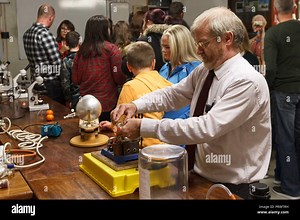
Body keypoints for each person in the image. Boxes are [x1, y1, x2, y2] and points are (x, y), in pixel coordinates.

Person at [110, 7, 271, 199]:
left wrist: (143, 126)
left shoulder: (246, 81)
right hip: (201, 176)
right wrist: (136, 105)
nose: (197, 50)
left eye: (203, 43)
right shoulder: (206, 70)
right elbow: (173, 94)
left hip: (234, 188)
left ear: (227, 39)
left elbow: (204, 128)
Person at [100, 41, 172, 147]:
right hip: (166, 146)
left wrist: (113, 126)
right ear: (153, 63)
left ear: (129, 67)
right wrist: (111, 125)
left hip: (142, 149)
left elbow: (121, 127)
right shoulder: (168, 84)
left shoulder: (129, 87)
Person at [264, 0, 300, 199]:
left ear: (275, 11)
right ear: (294, 9)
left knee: (285, 139)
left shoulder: (273, 34)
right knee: (297, 137)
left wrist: (267, 89)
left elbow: (271, 69)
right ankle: (284, 177)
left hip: (283, 90)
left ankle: (291, 188)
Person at [72, 15, 127, 122]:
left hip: (86, 105)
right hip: (107, 104)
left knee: (88, 134)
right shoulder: (112, 50)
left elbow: (75, 80)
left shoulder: (80, 52)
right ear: (105, 30)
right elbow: (119, 78)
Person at [23, 3, 65, 105]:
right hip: (50, 84)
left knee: (41, 112)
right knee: (55, 114)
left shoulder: (26, 34)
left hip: (36, 82)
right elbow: (58, 63)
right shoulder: (46, 35)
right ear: (51, 18)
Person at [159, 24, 201, 119]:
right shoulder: (165, 68)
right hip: (161, 126)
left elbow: (198, 105)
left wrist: (178, 123)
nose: (163, 50)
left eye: (167, 47)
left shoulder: (196, 69)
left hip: (182, 128)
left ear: (180, 47)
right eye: (162, 46)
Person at [60, 31, 81, 110]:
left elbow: (65, 83)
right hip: (89, 94)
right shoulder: (86, 58)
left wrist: (68, 99)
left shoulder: (66, 61)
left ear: (66, 43)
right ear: (79, 41)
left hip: (74, 97)